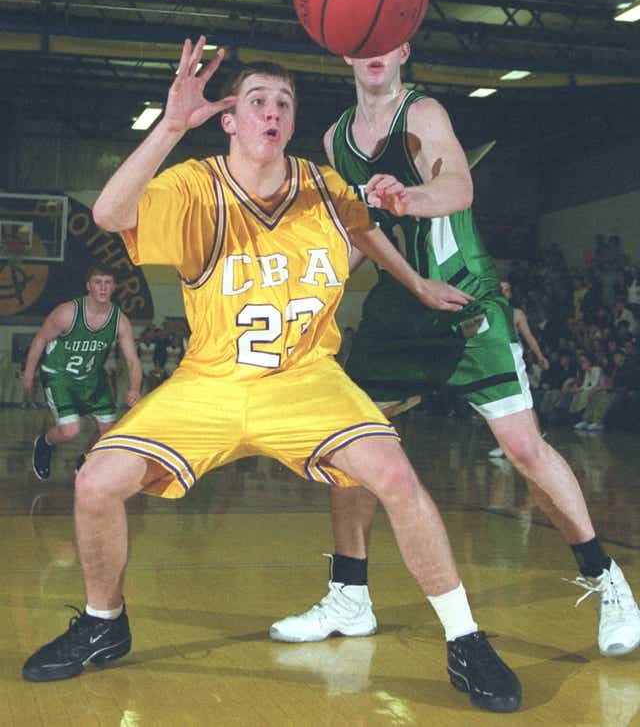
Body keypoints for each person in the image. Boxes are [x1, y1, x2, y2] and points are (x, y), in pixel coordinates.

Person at [21, 36, 522, 714]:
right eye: (257, 99)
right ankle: (104, 624)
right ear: (229, 119)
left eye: (284, 101)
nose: (273, 110)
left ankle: (465, 637)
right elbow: (110, 215)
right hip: (212, 382)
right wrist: (170, 124)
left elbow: (371, 228)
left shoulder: (323, 184)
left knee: (397, 474)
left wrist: (417, 279)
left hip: (306, 379)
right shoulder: (196, 185)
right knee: (96, 481)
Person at [269, 42, 640, 661]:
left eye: (386, 40)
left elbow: (458, 186)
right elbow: (359, 231)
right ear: (345, 54)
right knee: (347, 445)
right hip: (398, 306)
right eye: (363, 42)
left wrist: (409, 199)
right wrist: (315, 288)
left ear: (404, 49)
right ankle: (349, 596)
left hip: (464, 294)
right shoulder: (337, 140)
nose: (375, 53)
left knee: (523, 448)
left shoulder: (424, 113)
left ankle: (610, 583)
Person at [21, 265, 142, 481]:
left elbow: (132, 360)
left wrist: (134, 388)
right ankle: (44, 443)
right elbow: (40, 339)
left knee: (109, 432)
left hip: (92, 378)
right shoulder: (67, 312)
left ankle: (85, 459)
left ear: (114, 287)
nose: (103, 287)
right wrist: (29, 373)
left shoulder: (120, 320)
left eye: (107, 282)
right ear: (88, 286)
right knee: (70, 431)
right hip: (59, 375)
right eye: (98, 282)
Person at [488, 281, 549, 457]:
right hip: (495, 361)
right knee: (500, 404)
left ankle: (537, 439)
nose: (504, 293)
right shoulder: (488, 313)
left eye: (507, 290)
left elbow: (529, 337)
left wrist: (540, 356)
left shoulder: (517, 314)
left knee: (524, 400)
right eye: (501, 290)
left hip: (513, 360)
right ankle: (507, 445)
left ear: (510, 294)